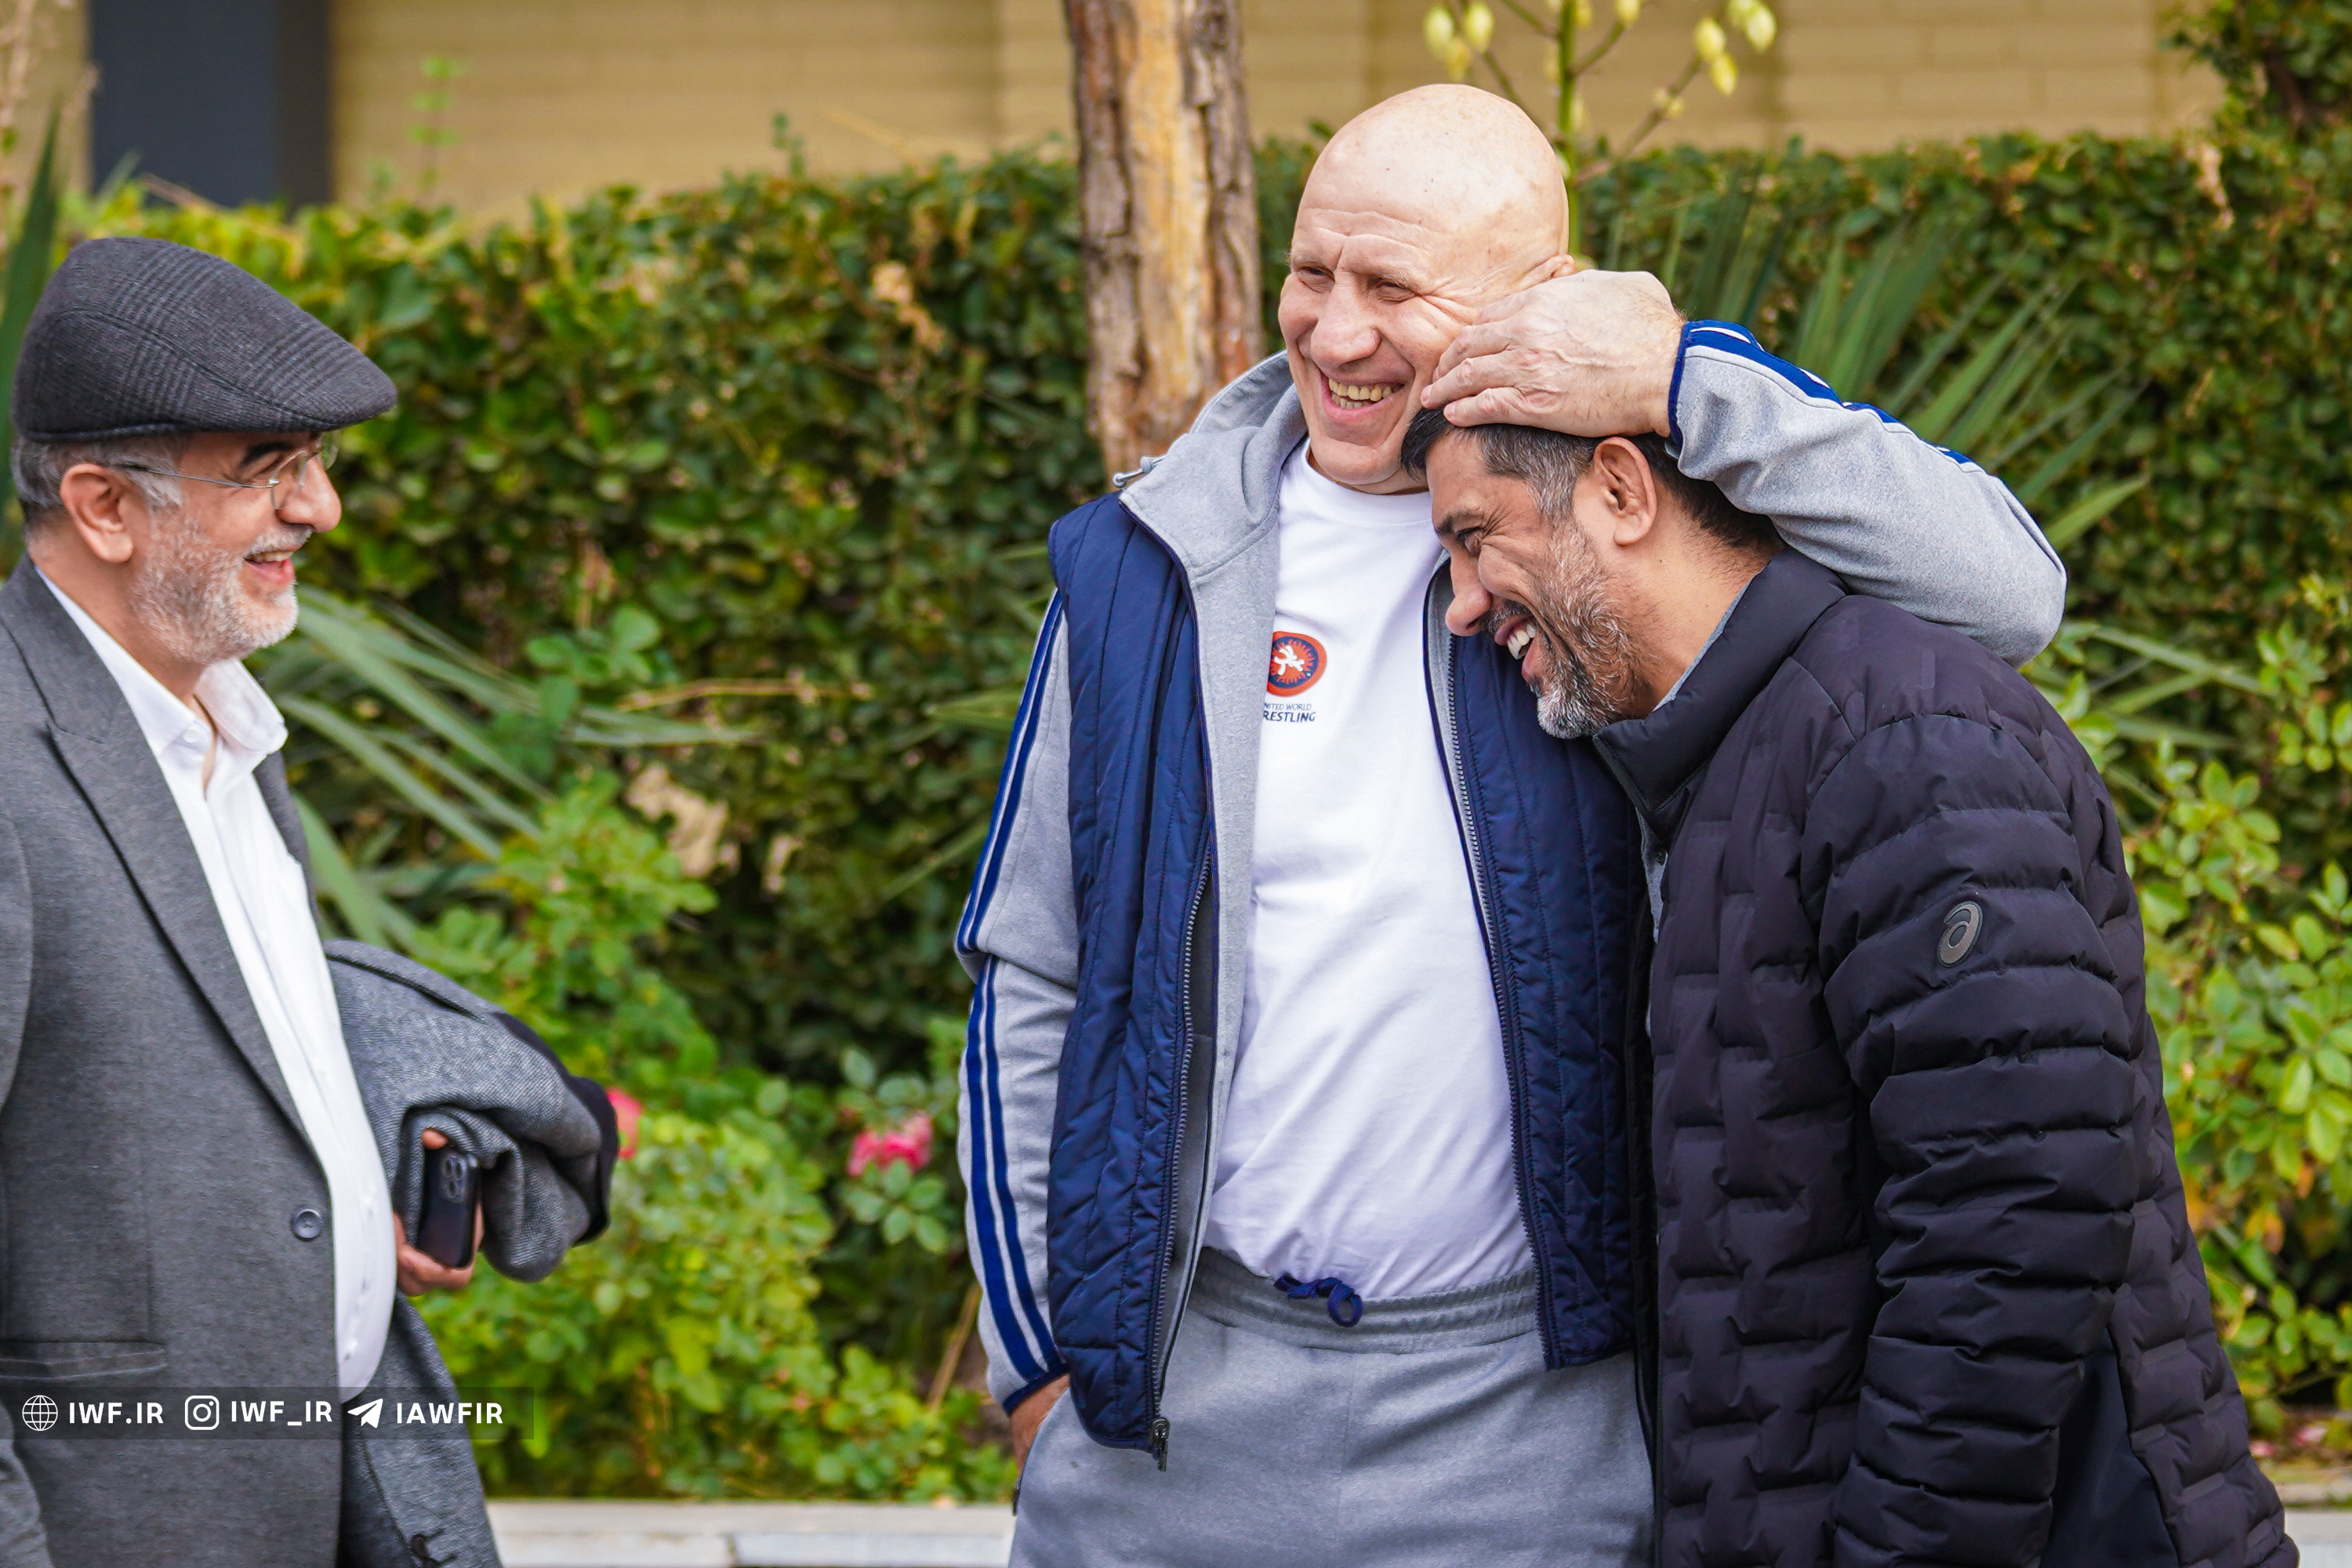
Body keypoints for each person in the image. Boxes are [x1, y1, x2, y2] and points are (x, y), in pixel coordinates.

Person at [956, 85, 2071, 1565]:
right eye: (1311, 272)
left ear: (1542, 296)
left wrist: (1674, 374)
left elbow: (2007, 596)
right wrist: (1037, 1364)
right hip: (1170, 1430)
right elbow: (1033, 967)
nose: (1335, 333)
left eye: (1392, 287)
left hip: (1532, 1428)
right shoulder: (1146, 563)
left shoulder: (1633, 502)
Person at [1399, 402, 2291, 1566]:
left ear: (1621, 490)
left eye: (1477, 538)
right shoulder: (1708, 762)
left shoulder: (1901, 738)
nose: (1463, 603)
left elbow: (2019, 1216)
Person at [0, 238, 486, 1566]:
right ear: (104, 506)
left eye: (315, 462)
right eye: (268, 467)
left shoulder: (227, 732)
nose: (321, 507)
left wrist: (341, 1215)